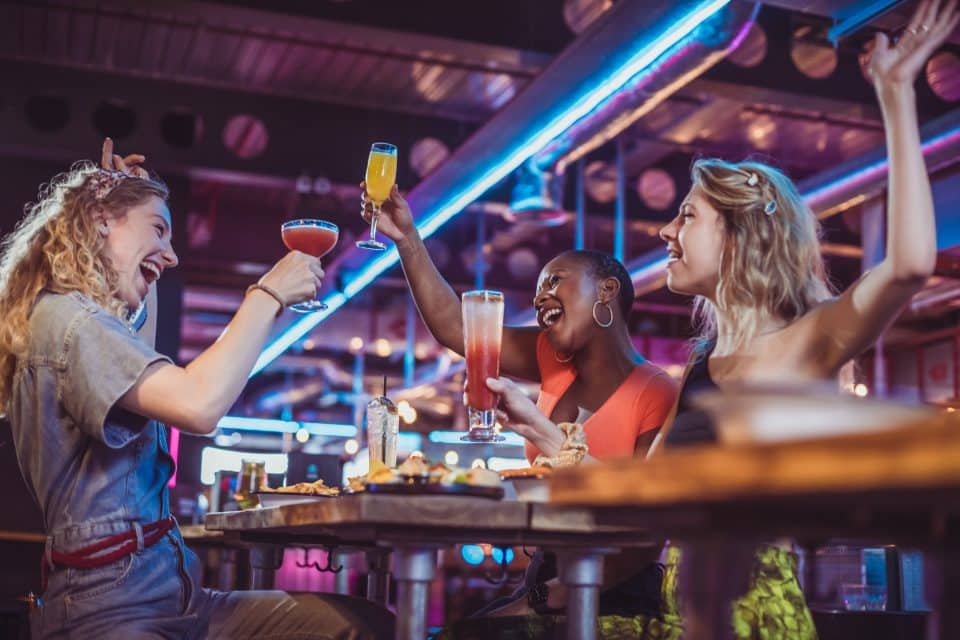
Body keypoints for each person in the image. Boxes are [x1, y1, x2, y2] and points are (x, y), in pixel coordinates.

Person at [0, 140, 393, 639]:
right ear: (100, 220)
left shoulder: (88, 321)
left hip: (172, 592)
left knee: (361, 624)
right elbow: (199, 405)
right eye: (159, 230)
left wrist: (132, 214)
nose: (172, 255)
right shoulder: (73, 323)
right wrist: (267, 292)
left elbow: (144, 329)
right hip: (111, 609)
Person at [648, 1, 956, 637]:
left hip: (756, 618)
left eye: (687, 216)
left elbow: (909, 264)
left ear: (737, 238)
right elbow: (645, 491)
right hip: (683, 612)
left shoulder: (811, 340)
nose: (665, 229)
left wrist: (896, 95)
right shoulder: (702, 364)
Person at [362, 183, 677, 635]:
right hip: (548, 574)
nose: (539, 296)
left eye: (554, 280)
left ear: (606, 291)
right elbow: (459, 329)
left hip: (615, 589)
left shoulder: (657, 392)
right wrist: (407, 239)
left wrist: (548, 597)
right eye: (537, 289)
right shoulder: (554, 359)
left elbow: (646, 540)